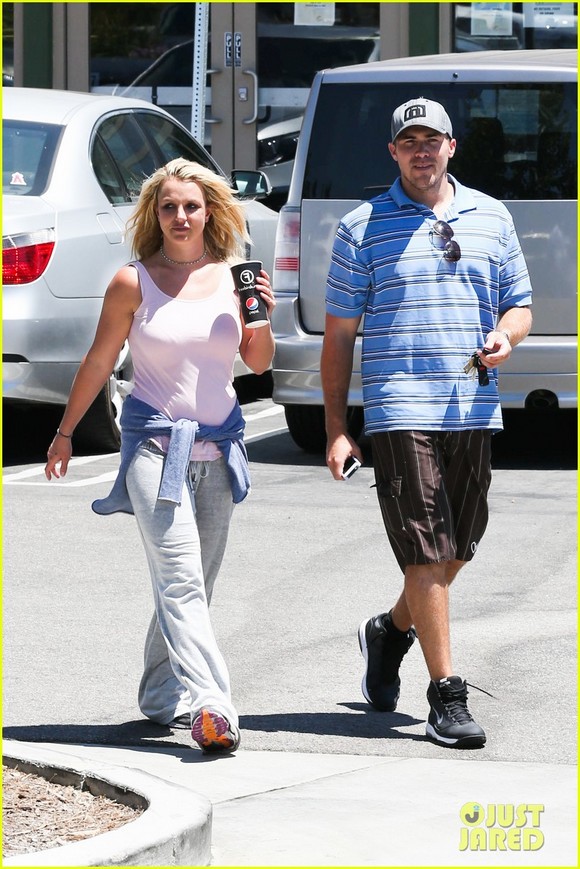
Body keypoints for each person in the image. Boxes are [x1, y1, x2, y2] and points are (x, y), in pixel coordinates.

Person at [321, 98, 532, 749]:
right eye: (409, 141)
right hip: (398, 408)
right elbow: (338, 338)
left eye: (431, 140)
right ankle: (447, 696)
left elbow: (519, 305)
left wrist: (505, 336)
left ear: (451, 146)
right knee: (428, 551)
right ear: (393, 152)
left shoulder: (492, 217)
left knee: (458, 548)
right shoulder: (360, 228)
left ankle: (389, 632)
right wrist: (336, 426)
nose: (421, 151)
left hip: (471, 406)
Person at [45, 158, 276, 754]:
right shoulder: (133, 281)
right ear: (155, 213)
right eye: (169, 206)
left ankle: (157, 695)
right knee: (181, 580)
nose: (180, 216)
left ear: (210, 212)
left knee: (193, 584)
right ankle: (213, 706)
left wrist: (261, 318)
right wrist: (66, 432)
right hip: (154, 449)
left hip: (219, 451)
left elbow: (258, 363)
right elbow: (100, 359)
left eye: (191, 206)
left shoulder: (236, 277)